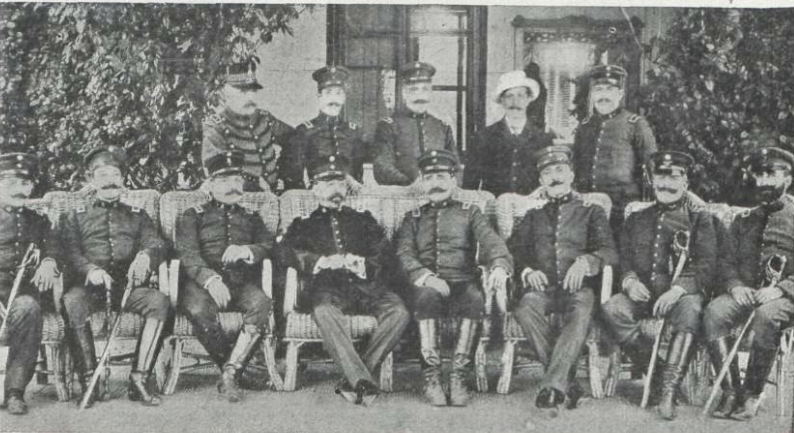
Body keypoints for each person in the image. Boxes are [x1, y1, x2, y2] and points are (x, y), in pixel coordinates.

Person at [280, 154, 410, 405]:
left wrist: (361, 263)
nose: (336, 190)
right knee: (325, 312)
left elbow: (385, 254)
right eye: (328, 184)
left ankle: (354, 379)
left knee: (399, 312)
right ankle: (363, 381)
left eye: (340, 184)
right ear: (315, 189)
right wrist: (320, 261)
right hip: (328, 289)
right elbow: (286, 252)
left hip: (367, 287)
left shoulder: (363, 219)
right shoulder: (303, 224)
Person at [601, 150, 716, 420]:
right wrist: (629, 282)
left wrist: (678, 290)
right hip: (642, 295)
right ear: (652, 181)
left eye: (673, 177)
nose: (666, 185)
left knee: (691, 309)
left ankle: (667, 392)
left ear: (685, 181)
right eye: (660, 178)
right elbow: (623, 258)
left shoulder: (699, 218)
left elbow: (707, 264)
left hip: (680, 295)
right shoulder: (636, 218)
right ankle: (657, 373)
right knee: (612, 309)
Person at [395, 149, 512, 407]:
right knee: (426, 297)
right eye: (429, 178)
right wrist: (425, 276)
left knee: (474, 298)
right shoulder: (412, 218)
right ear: (423, 183)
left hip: (462, 282)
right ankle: (432, 376)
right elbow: (404, 254)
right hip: (426, 286)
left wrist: (500, 267)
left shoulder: (470, 212)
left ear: (453, 180)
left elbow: (493, 243)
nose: (435, 183)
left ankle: (459, 376)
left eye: (441, 176)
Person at [507, 146, 616, 410]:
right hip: (543, 289)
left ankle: (553, 387)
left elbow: (609, 250)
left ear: (571, 174)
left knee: (580, 311)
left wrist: (586, 262)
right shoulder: (533, 216)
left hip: (579, 290)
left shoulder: (591, 211)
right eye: (547, 173)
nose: (554, 177)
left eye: (559, 170)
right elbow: (513, 251)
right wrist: (527, 271)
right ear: (541, 181)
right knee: (525, 307)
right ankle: (568, 384)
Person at [60, 146, 169, 408]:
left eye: (115, 174)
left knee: (159, 302)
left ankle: (139, 378)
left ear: (122, 179)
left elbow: (158, 244)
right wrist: (91, 270)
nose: (110, 180)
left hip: (126, 287)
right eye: (102, 174)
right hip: (88, 288)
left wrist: (145, 256)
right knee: (72, 302)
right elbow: (70, 253)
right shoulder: (74, 217)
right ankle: (89, 379)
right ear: (90, 180)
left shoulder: (138, 216)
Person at [175, 150, 276, 403]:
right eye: (224, 181)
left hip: (240, 281)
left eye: (236, 180)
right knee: (199, 310)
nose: (233, 186)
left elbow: (268, 244)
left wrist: (247, 250)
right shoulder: (192, 215)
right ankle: (236, 369)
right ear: (210, 185)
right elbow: (188, 254)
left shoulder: (251, 216)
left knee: (262, 303)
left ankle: (230, 373)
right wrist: (211, 279)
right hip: (200, 284)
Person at [703, 145, 794, 420]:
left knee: (766, 317)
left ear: (788, 179)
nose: (764, 181)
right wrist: (734, 285)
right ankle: (731, 391)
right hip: (745, 292)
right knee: (714, 312)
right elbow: (726, 261)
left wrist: (780, 289)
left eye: (771, 174)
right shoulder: (744, 220)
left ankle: (752, 393)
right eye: (759, 175)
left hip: (784, 297)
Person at [0, 153, 60, 415]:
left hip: (21, 293)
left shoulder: (38, 220)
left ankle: (14, 392)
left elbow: (56, 245)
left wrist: (48, 261)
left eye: (25, 184)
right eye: (12, 182)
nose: (19, 189)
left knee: (29, 308)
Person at [572, 64, 657, 233]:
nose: (603, 95)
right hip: (588, 207)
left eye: (609, 89)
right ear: (593, 95)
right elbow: (576, 166)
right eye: (598, 90)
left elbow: (652, 167)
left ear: (620, 94)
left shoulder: (635, 124)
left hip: (622, 209)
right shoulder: (585, 127)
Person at [202, 59, 295, 192]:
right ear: (225, 93)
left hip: (273, 194)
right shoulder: (216, 125)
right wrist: (254, 183)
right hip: (240, 195)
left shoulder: (264, 118)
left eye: (252, 91)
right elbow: (216, 170)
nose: (250, 97)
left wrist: (285, 176)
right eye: (242, 92)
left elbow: (294, 139)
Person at [464, 70, 553, 196]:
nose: (515, 102)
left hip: (533, 210)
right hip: (494, 210)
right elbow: (469, 187)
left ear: (529, 99)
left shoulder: (543, 139)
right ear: (502, 100)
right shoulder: (483, 137)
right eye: (509, 96)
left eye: (520, 96)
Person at [281, 65, 366, 189]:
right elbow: (293, 175)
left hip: (348, 197)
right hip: (317, 197)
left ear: (344, 98)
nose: (334, 99)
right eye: (328, 93)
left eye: (338, 93)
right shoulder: (305, 131)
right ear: (319, 96)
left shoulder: (353, 131)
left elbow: (358, 174)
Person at [373, 62, 458, 186]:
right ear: (404, 93)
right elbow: (382, 168)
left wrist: (451, 184)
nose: (420, 96)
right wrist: (411, 185)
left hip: (439, 193)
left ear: (430, 93)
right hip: (403, 196)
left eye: (425, 89)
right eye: (413, 90)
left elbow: (456, 168)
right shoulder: (388, 126)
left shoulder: (442, 127)